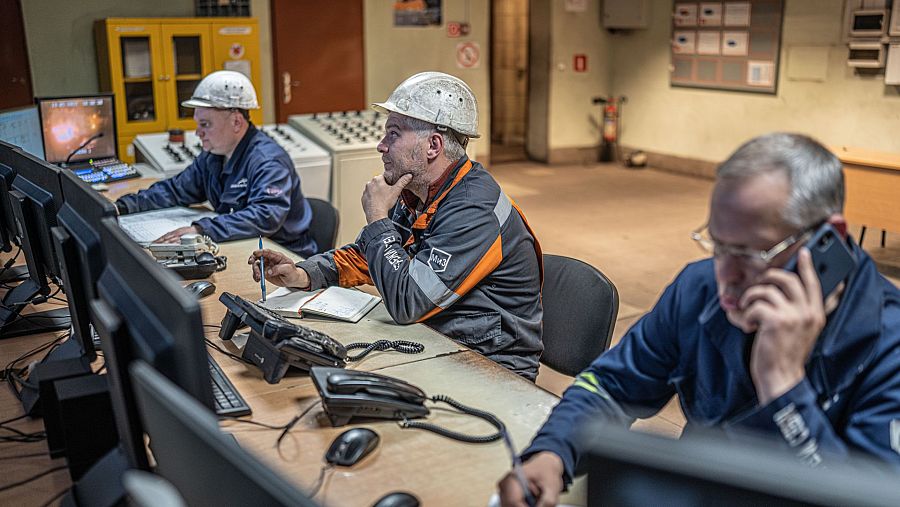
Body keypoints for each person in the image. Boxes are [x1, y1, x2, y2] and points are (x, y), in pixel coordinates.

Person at [498, 133, 900, 506]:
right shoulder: (700, 289)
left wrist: (784, 389)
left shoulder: (888, 346)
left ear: (828, 240)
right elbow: (609, 384)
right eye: (718, 246)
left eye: (749, 254)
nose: (725, 277)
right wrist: (553, 450)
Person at [249, 72, 544, 380]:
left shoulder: (473, 209)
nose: (381, 146)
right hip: (438, 338)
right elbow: (369, 257)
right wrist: (303, 274)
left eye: (393, 134)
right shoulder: (419, 192)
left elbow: (409, 301)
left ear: (433, 145)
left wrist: (377, 216)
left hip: (491, 366)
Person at [115, 70, 316, 256]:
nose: (198, 132)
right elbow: (175, 190)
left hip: (284, 257)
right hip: (242, 246)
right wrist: (122, 207)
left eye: (205, 124)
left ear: (236, 122)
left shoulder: (268, 161)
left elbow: (265, 216)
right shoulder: (215, 155)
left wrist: (201, 229)